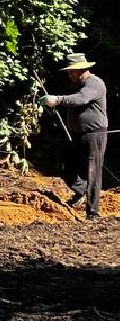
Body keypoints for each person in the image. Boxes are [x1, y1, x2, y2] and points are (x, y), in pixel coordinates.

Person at [43, 53, 108, 222]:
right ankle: (82, 190)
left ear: (80, 70)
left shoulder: (94, 83)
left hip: (94, 134)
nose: (69, 75)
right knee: (67, 166)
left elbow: (81, 99)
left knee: (93, 171)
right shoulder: (80, 84)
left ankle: (92, 213)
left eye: (71, 72)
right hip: (78, 134)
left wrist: (57, 100)